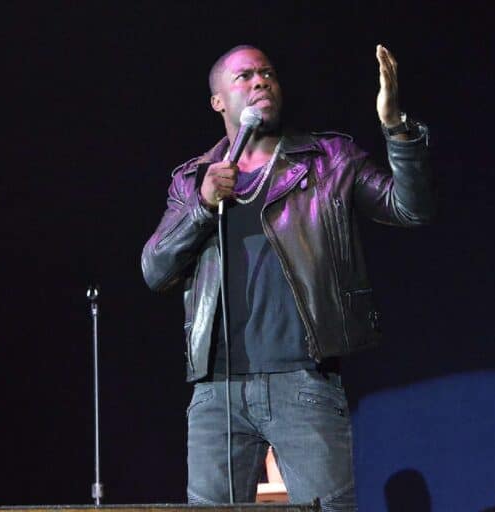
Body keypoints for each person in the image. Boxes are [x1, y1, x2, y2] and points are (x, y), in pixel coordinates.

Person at [141, 44, 434, 511]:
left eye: (268, 73)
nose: (261, 81)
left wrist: (395, 127)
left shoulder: (329, 159)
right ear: (218, 100)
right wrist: (201, 206)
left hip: (303, 382)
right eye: (244, 76)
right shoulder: (194, 179)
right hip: (218, 393)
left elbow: (409, 208)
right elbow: (155, 270)